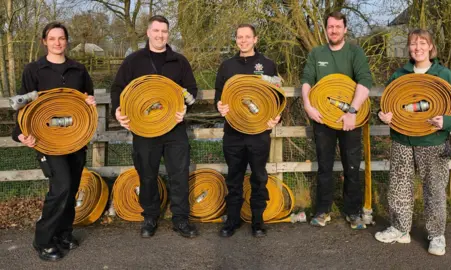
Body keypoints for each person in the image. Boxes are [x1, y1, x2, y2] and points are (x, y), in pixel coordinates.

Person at [375, 29, 451, 256]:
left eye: (422, 43)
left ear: (431, 46)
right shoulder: (399, 75)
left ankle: (436, 235)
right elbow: (387, 104)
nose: (417, 47)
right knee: (399, 187)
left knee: (434, 190)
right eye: (413, 44)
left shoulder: (445, 75)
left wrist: (446, 121)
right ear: (409, 48)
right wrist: (382, 115)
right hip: (402, 139)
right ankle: (400, 228)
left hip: (433, 141)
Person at [11, 22, 96, 261]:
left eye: (61, 38)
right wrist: (20, 133)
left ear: (67, 41)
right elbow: (23, 107)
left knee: (72, 188)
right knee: (61, 187)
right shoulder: (34, 70)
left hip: (76, 139)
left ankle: (63, 234)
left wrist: (88, 102)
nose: (57, 42)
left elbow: (86, 97)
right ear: (44, 42)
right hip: (47, 141)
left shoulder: (78, 70)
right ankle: (43, 240)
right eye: (52, 38)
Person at [111, 15, 198, 238]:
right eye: (156, 31)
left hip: (174, 128)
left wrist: (184, 109)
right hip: (144, 130)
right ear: (148, 33)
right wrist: (117, 111)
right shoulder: (134, 61)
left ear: (168, 34)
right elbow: (118, 90)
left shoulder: (179, 61)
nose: (160, 35)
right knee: (147, 175)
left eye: (164, 31)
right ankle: (150, 216)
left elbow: (191, 90)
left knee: (178, 174)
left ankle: (180, 219)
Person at [300, 11, 373, 229]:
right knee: (325, 165)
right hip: (322, 118)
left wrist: (352, 111)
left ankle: (352, 211)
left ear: (345, 29)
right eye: (330, 27)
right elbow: (306, 81)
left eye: (337, 27)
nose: (334, 30)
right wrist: (307, 105)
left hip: (350, 119)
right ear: (325, 29)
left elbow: (365, 81)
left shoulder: (354, 52)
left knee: (352, 166)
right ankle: (323, 211)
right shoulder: (316, 53)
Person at [215, 24, 281, 237]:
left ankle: (258, 222)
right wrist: (219, 106)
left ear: (255, 39)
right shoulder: (226, 66)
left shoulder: (268, 65)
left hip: (259, 134)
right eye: (239, 37)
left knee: (259, 177)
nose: (243, 41)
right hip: (233, 133)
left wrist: (277, 117)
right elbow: (219, 97)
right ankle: (232, 221)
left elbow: (278, 98)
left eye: (247, 37)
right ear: (236, 40)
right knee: (234, 177)